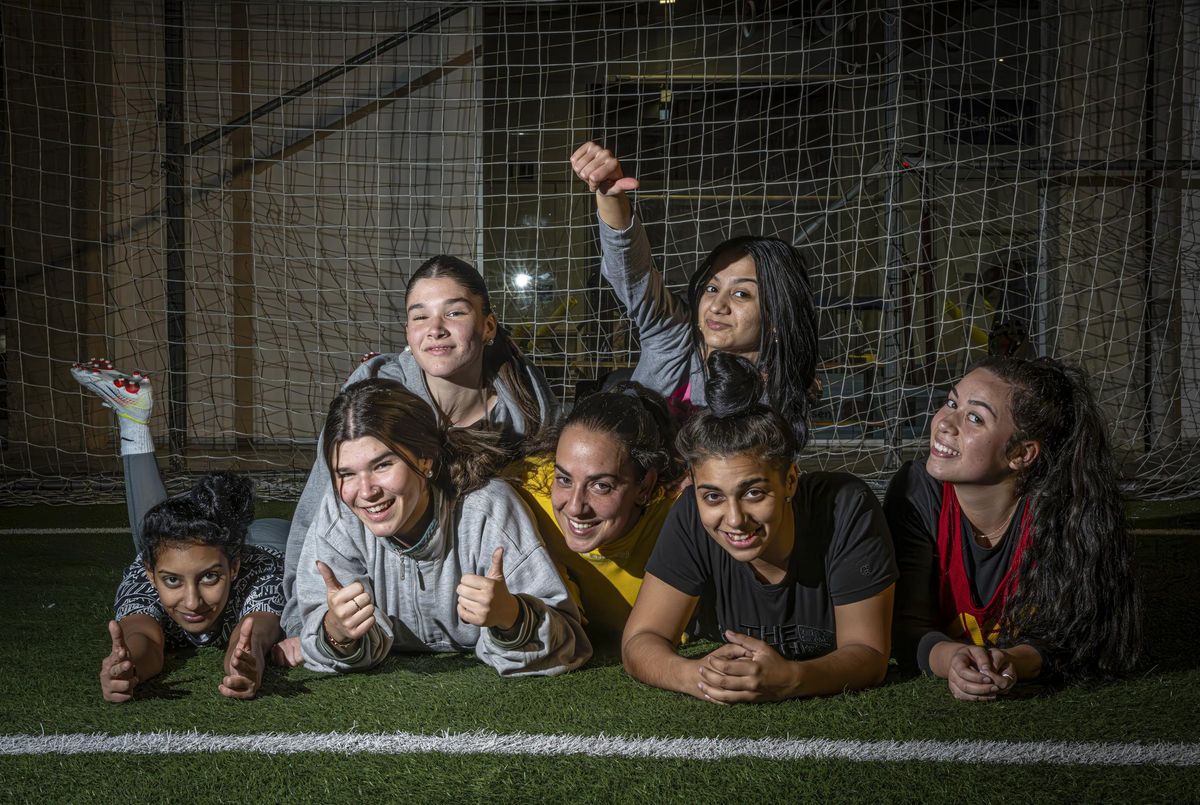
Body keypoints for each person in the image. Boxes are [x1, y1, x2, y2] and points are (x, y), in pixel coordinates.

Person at [282, 255, 559, 637]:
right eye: (420, 316)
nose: (436, 329)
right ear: (407, 332)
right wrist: (297, 621)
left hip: (478, 576)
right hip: (394, 582)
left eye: (455, 313)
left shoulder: (524, 401)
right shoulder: (378, 391)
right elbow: (319, 501)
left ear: (488, 325)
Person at [621, 353, 897, 703]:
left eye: (753, 493)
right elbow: (640, 639)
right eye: (713, 497)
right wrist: (697, 676)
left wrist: (792, 678)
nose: (735, 519)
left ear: (790, 481)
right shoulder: (690, 512)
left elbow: (870, 654)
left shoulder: (845, 506)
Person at [885, 356, 1142, 701]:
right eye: (951, 402)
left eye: (974, 417)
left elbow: (1083, 636)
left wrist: (1013, 662)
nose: (946, 423)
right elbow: (905, 625)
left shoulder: (1064, 509)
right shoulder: (918, 492)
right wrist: (951, 659)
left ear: (1021, 453)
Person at [292, 377, 590, 675]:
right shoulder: (339, 514)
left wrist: (512, 617)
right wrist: (335, 632)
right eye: (347, 473)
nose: (366, 491)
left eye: (382, 465)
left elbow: (570, 639)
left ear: (426, 459)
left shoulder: (488, 510)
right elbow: (317, 634)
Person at [570, 142, 819, 445]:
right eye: (712, 288)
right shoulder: (673, 337)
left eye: (742, 294)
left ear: (777, 317)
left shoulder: (778, 390)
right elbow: (633, 276)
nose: (717, 306)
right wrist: (610, 197)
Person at [73, 359, 290, 700]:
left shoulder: (262, 574)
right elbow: (144, 640)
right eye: (172, 580)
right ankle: (132, 419)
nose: (192, 602)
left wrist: (248, 662)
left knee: (317, 536)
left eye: (209, 578)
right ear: (150, 576)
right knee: (158, 541)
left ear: (233, 568)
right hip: (203, 548)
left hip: (277, 540)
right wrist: (131, 668)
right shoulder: (140, 576)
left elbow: (255, 633)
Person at [506, 383, 685, 641]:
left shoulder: (680, 517)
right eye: (564, 479)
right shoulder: (525, 490)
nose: (576, 507)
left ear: (644, 486)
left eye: (601, 486)